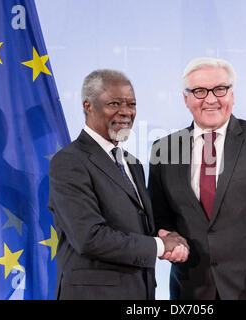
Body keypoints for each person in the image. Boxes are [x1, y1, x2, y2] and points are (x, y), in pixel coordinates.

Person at [148, 57, 246, 300]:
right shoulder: (163, 150)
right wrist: (167, 237)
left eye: (220, 89)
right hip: (190, 292)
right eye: (199, 91)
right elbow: (159, 217)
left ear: (232, 94)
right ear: (185, 99)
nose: (210, 99)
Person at [48, 69, 189, 300]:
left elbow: (132, 228)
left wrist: (164, 235)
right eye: (114, 103)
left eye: (131, 104)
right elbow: (89, 237)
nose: (126, 112)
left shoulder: (132, 163)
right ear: (88, 106)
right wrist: (160, 246)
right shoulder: (69, 161)